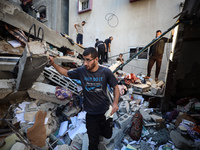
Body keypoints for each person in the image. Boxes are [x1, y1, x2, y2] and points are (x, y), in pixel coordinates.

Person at [49, 47, 119, 150]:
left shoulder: (106, 72)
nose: (85, 63)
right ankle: (94, 132)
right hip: (91, 114)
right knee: (93, 143)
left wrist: (115, 103)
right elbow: (65, 73)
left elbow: (116, 87)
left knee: (107, 135)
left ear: (96, 59)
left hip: (105, 112)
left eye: (88, 60)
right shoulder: (82, 71)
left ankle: (99, 130)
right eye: (84, 59)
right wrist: (53, 64)